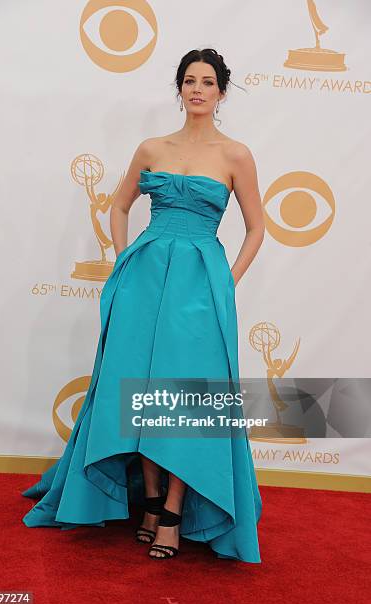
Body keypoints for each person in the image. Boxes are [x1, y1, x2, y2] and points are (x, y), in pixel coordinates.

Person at [22, 48, 265, 562]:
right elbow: (119, 203)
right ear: (179, 89)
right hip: (144, 278)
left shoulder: (236, 155)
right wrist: (122, 257)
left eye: (207, 81)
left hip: (200, 284)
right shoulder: (152, 147)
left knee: (183, 399)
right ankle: (152, 504)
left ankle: (175, 512)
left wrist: (227, 280)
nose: (197, 89)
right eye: (188, 81)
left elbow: (257, 227)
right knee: (140, 393)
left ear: (222, 92)